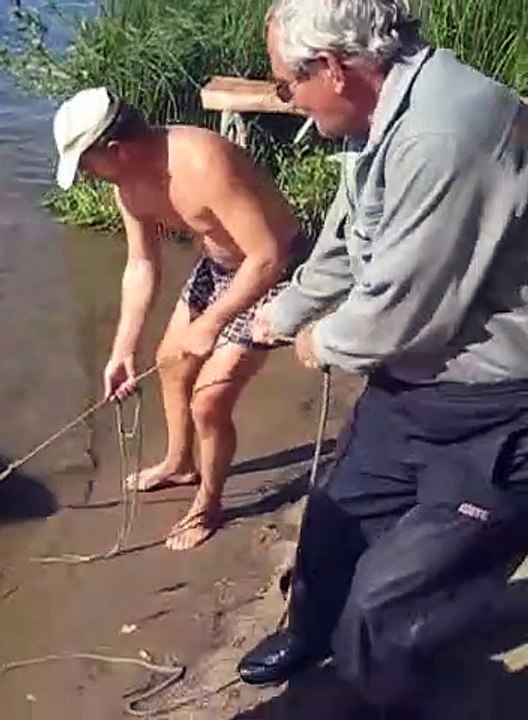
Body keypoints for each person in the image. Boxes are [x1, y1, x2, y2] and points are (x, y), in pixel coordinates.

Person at [238, 0, 528, 714]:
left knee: (386, 605)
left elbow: (402, 311)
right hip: (411, 391)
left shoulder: (440, 134)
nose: (289, 102)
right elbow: (348, 240)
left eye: (286, 86)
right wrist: (281, 313)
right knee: (331, 523)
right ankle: (309, 633)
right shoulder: (379, 118)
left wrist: (323, 342)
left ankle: (383, 697)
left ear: (333, 69)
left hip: (496, 409)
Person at [52, 87, 310, 550]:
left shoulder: (204, 163)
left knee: (209, 400)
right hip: (219, 266)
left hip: (276, 268)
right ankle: (179, 463)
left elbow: (267, 256)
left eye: (88, 164)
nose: (89, 176)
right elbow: (141, 265)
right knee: (169, 363)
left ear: (117, 149)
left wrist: (212, 323)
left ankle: (209, 505)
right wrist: (122, 350)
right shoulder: (128, 187)